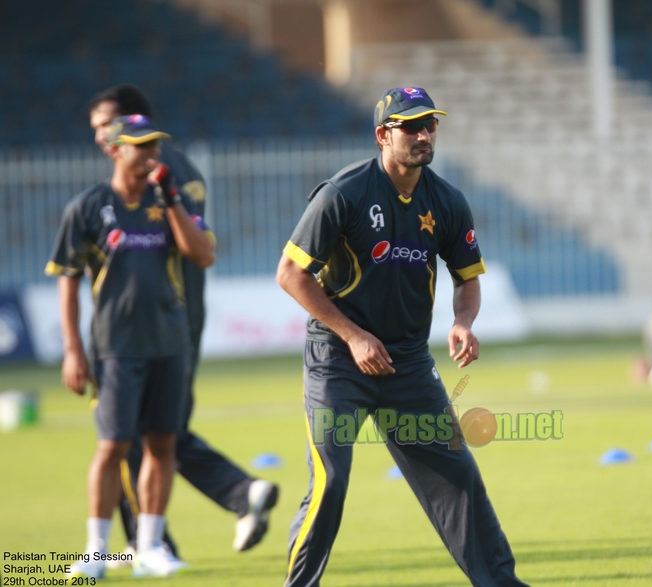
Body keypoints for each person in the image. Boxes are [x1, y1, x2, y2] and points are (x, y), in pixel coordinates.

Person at [276, 87, 529, 586]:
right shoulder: (342, 194)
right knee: (331, 482)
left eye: (429, 124)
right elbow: (290, 274)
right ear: (382, 135)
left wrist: (463, 322)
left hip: (408, 363)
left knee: (458, 479)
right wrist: (352, 336)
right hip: (338, 359)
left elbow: (467, 279)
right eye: (410, 126)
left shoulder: (448, 202)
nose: (422, 134)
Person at [87, 85, 279, 558]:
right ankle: (235, 497)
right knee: (154, 431)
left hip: (158, 325)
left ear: (131, 123)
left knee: (144, 433)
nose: (97, 137)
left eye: (103, 126)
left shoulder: (162, 174)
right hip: (171, 320)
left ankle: (148, 542)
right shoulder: (174, 169)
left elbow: (191, 248)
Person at [46, 115, 213, 578]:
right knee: (113, 446)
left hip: (169, 343)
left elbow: (202, 255)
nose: (149, 153)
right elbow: (67, 277)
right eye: (139, 146)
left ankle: (149, 547)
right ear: (114, 150)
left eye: (153, 145)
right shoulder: (88, 206)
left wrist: (173, 201)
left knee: (162, 446)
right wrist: (73, 349)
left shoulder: (169, 201)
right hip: (115, 349)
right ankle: (97, 551)